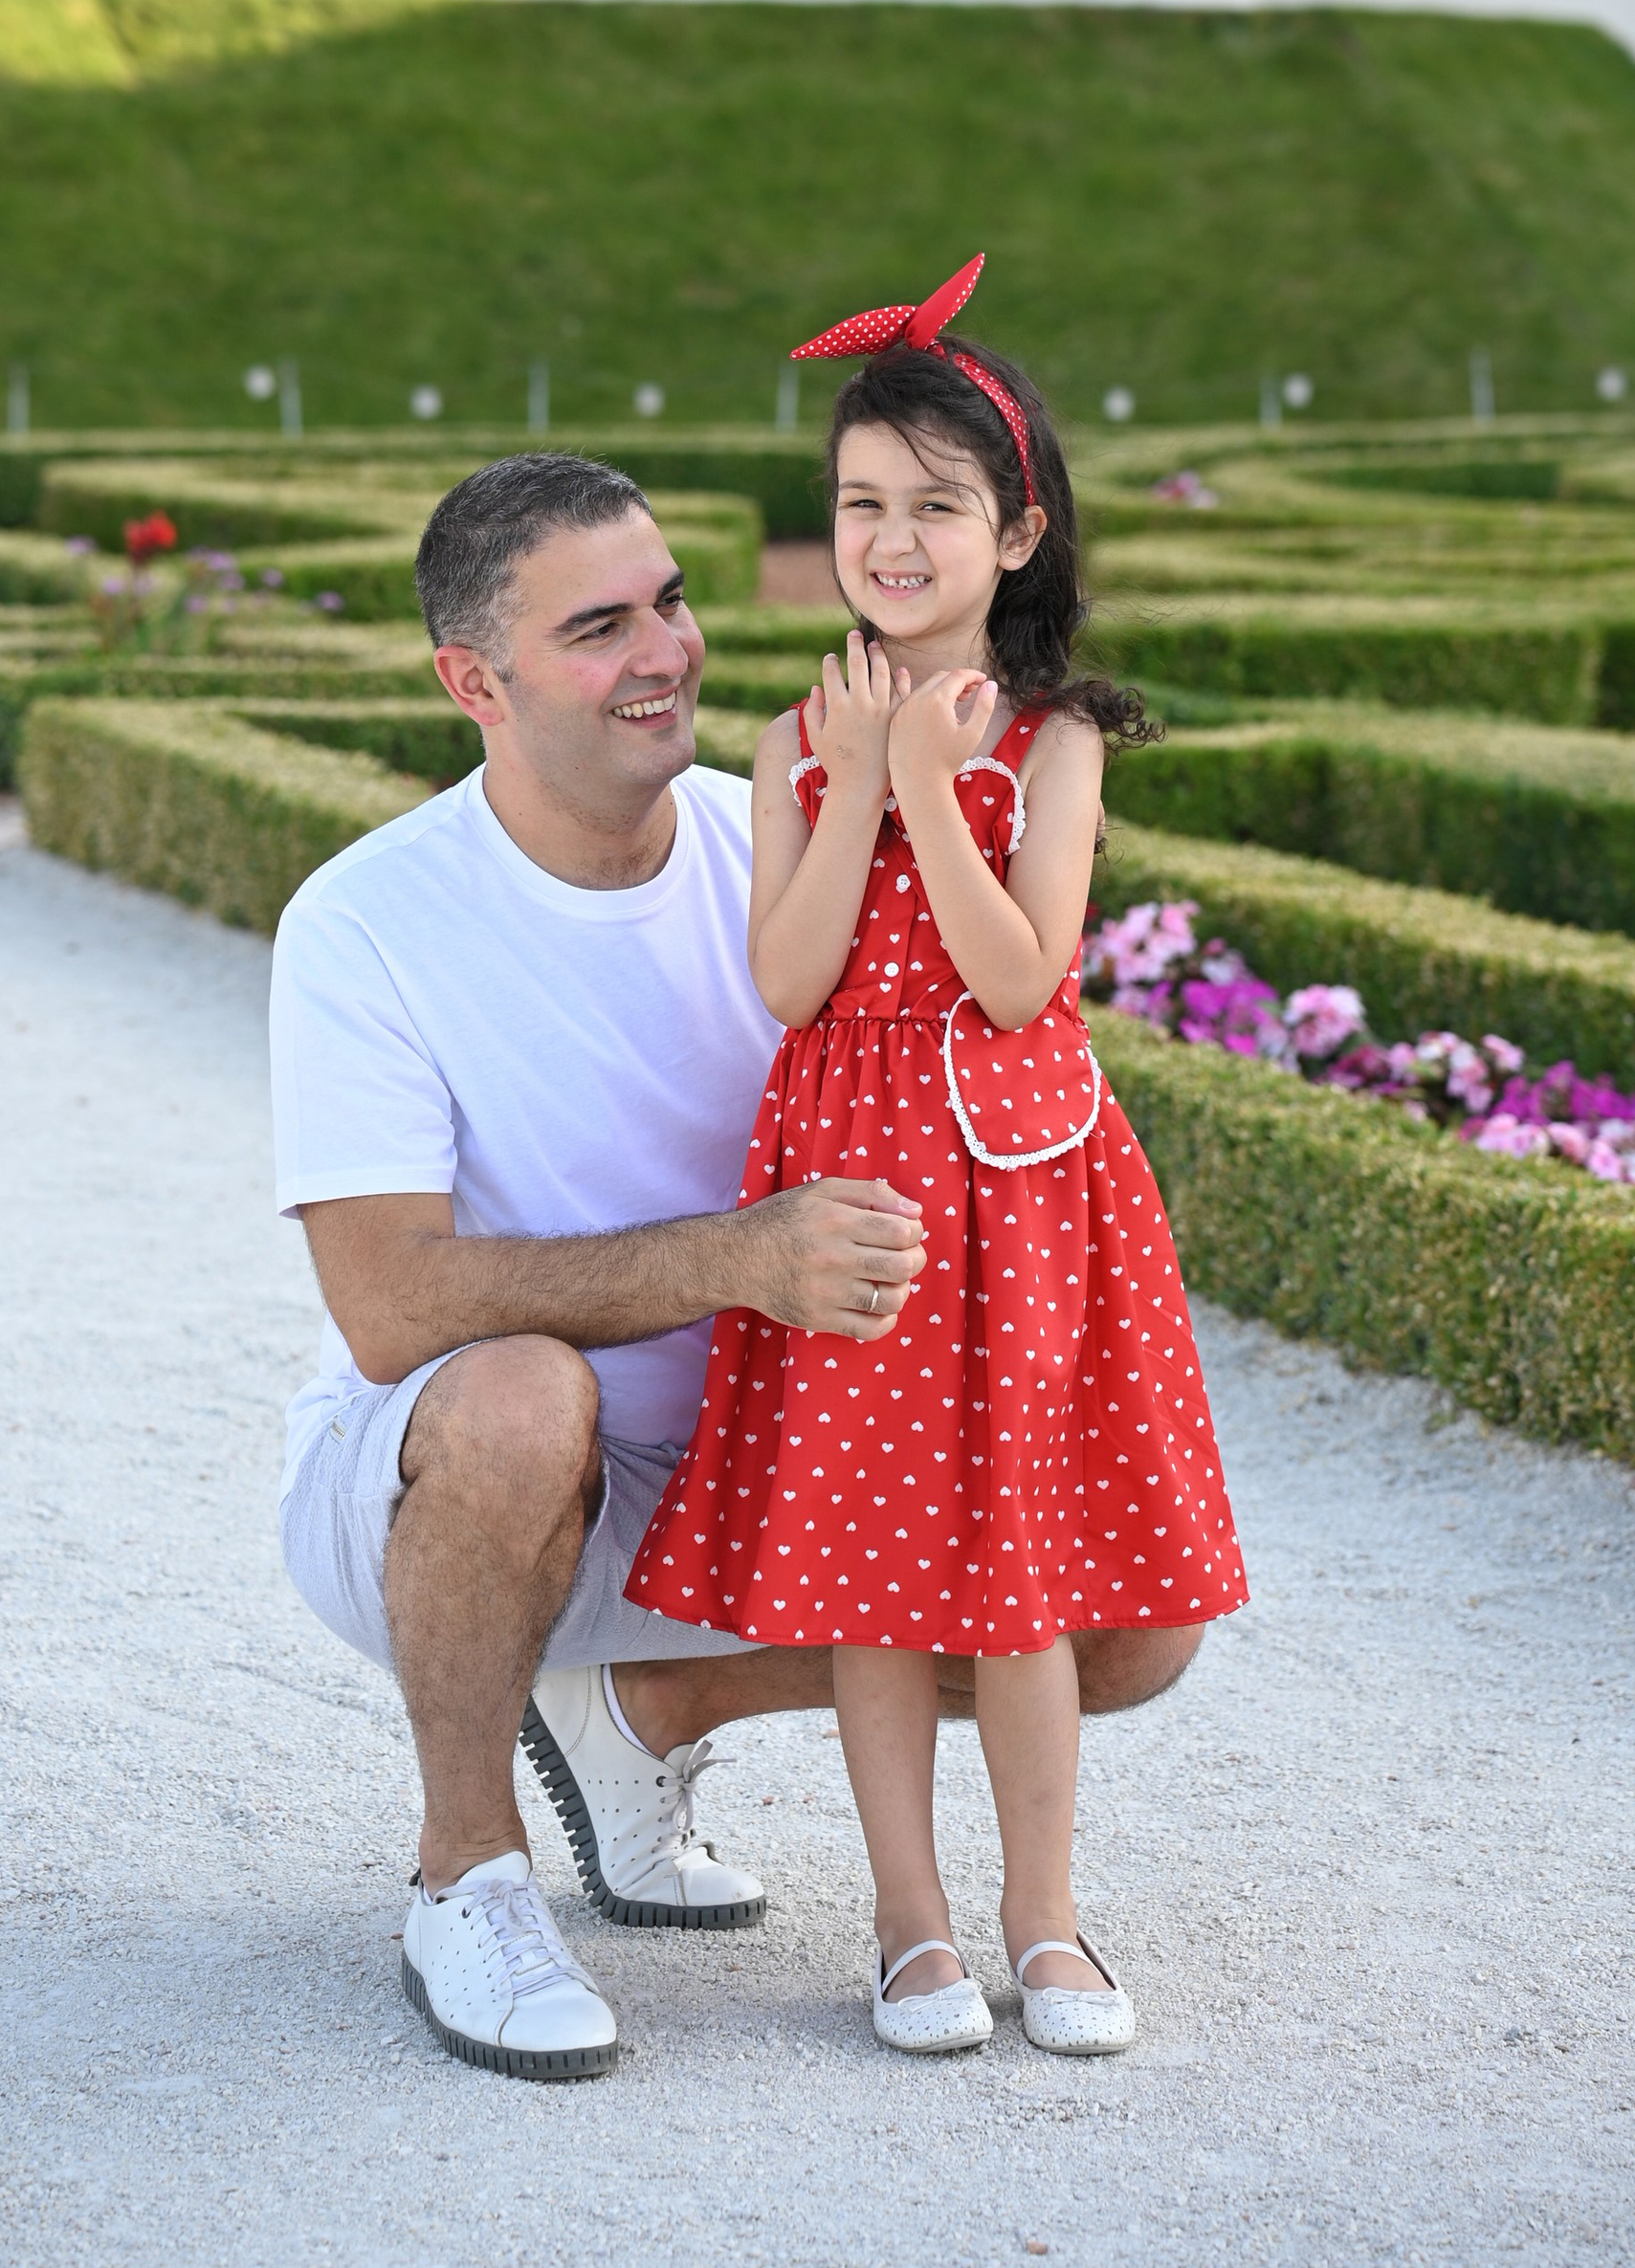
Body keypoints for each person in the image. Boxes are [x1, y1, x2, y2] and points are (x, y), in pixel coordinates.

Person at [269, 444, 1204, 2084]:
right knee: (508, 1400)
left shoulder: (783, 824)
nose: (668, 653)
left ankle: (643, 1711)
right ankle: (467, 1873)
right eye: (600, 629)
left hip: (770, 1468)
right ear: (470, 681)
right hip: (471, 1498)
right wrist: (739, 1259)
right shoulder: (365, 921)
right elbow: (387, 1307)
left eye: (675, 602)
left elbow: (999, 1013)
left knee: (1130, 1625)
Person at [627, 256, 1248, 2058]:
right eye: (860, 507)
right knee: (872, 1568)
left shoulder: (1050, 743)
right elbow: (790, 981)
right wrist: (844, 777)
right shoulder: (783, 740)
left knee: (1023, 1568)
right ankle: (910, 1930)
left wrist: (914, 779)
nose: (892, 543)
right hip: (855, 1186)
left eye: (937, 508)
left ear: (1019, 527)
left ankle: (1044, 1924)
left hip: (1020, 1182)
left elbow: (1016, 974)